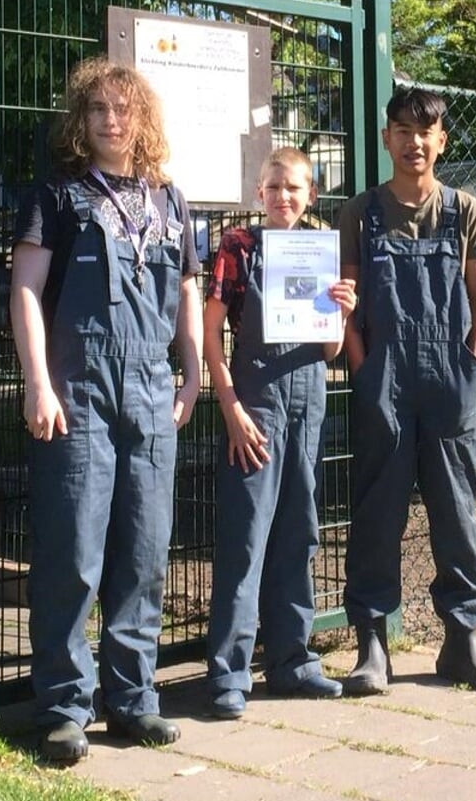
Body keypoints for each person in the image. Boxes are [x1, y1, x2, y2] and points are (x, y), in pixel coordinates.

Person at [8, 57, 203, 763]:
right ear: (81, 122)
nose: (111, 121)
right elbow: (26, 290)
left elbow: (187, 294)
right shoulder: (56, 196)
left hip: (151, 394)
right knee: (72, 551)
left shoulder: (170, 201)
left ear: (142, 119)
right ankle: (63, 707)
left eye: (123, 110)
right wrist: (37, 381)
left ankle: (132, 699)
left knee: (146, 552)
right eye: (98, 110)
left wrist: (195, 373)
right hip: (78, 392)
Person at [336, 88, 476, 695]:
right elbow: (349, 302)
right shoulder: (361, 214)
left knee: (457, 511)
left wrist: (473, 362)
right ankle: (371, 647)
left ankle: (462, 642)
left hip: (450, 378)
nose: (414, 141)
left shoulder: (465, 210)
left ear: (441, 141)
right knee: (377, 513)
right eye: (402, 130)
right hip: (383, 378)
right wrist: (362, 368)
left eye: (425, 131)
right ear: (386, 138)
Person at [202, 148, 356, 719]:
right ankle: (229, 675)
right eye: (273, 188)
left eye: (293, 189)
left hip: (308, 404)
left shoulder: (320, 251)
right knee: (245, 541)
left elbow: (331, 350)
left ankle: (292, 662)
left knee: (300, 533)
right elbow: (211, 333)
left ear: (310, 195)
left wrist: (340, 311)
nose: (283, 198)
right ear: (259, 192)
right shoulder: (238, 248)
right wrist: (231, 407)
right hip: (257, 406)